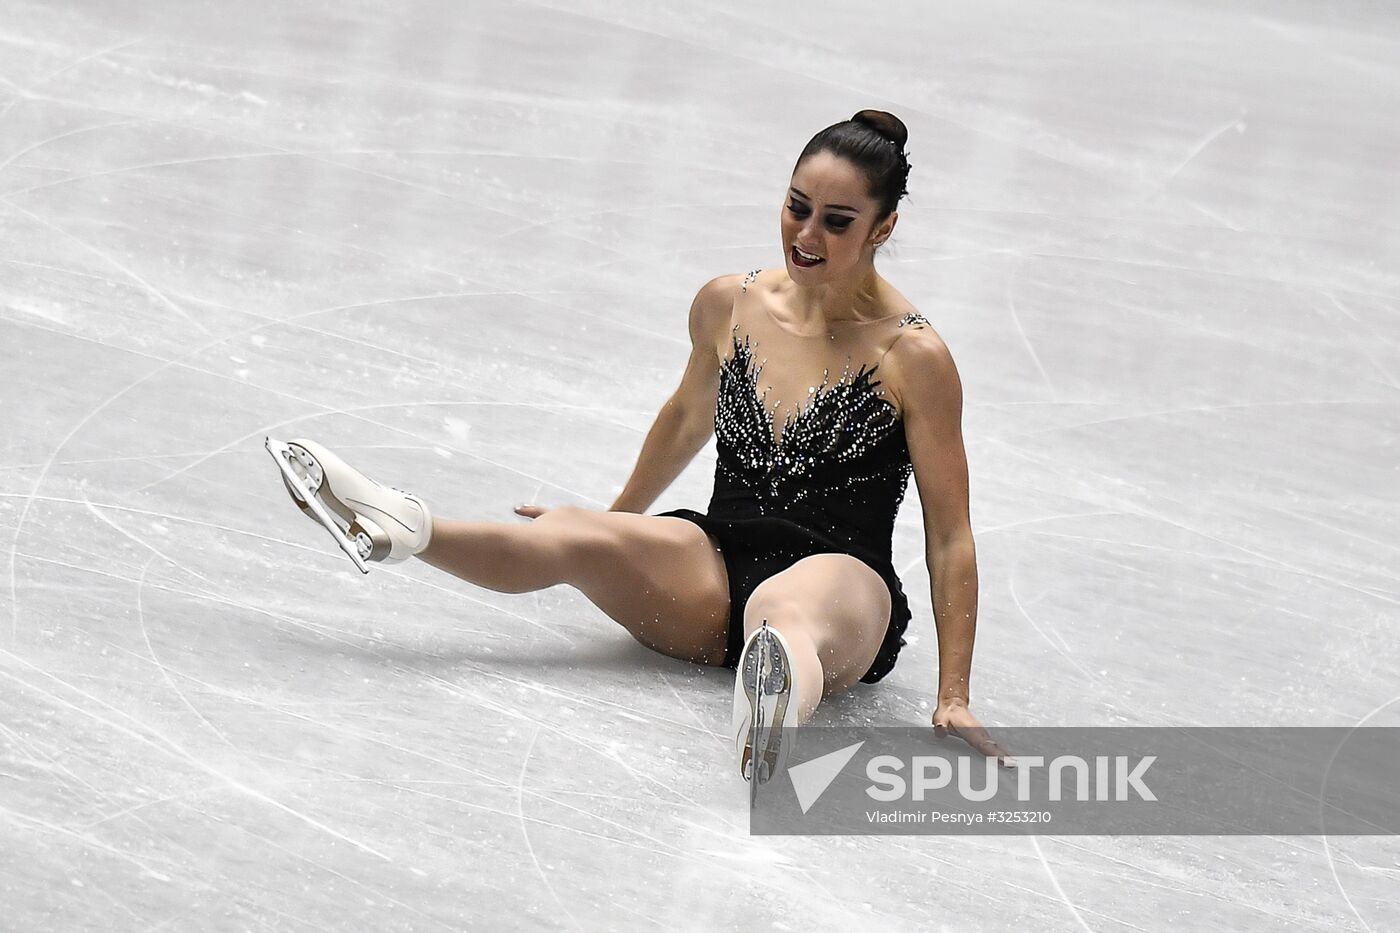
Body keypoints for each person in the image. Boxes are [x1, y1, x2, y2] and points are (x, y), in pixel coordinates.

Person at [265, 109, 1006, 791]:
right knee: (571, 535)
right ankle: (404, 526)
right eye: (796, 206)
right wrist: (614, 519)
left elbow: (950, 534)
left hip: (844, 584)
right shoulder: (730, 302)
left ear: (883, 226)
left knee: (784, 609)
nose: (807, 235)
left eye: (837, 221)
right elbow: (685, 418)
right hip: (713, 564)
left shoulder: (914, 356)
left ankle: (775, 704)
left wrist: (954, 694)